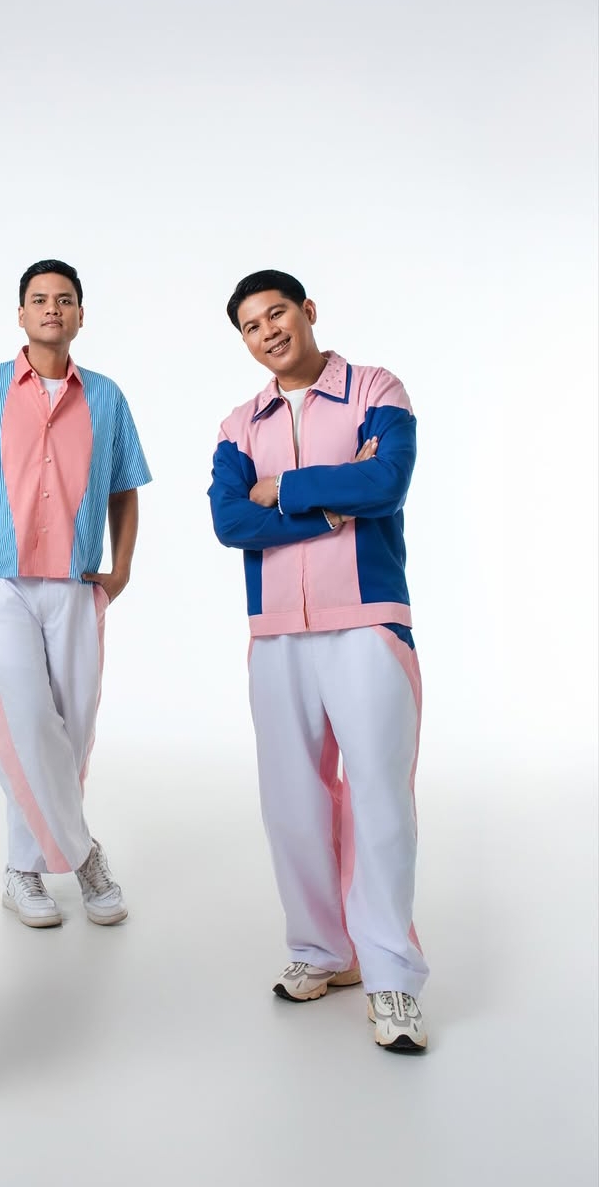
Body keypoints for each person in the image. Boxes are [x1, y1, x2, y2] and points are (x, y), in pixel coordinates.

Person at [208, 269, 429, 1052]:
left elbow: (387, 481)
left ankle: (391, 975)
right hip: (276, 633)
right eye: (251, 325)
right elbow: (230, 521)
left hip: (368, 622)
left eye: (278, 313)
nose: (268, 331)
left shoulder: (376, 389)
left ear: (307, 311)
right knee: (291, 802)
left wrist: (285, 489)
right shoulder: (240, 424)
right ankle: (323, 951)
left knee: (379, 799)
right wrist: (333, 508)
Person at [0, 259, 151, 928]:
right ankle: (83, 858)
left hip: (75, 585)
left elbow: (124, 490)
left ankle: (21, 869)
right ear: (20, 314)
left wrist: (122, 567)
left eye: (65, 299)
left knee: (70, 732)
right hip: (0, 585)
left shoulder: (106, 397)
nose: (53, 307)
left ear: (80, 315)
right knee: (24, 723)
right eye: (40, 298)